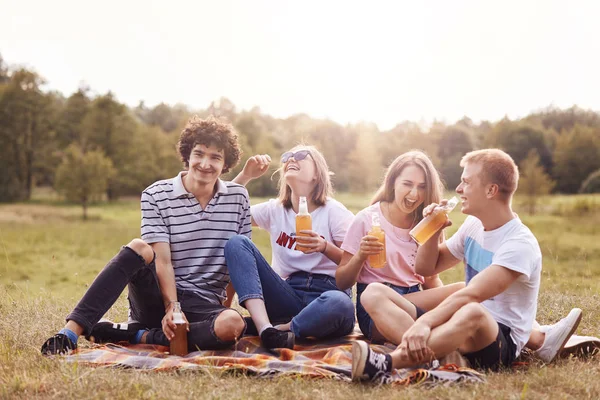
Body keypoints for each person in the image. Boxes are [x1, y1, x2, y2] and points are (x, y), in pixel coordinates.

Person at [352, 149, 582, 381]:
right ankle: (436, 353)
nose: (459, 189)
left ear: (491, 190)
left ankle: (387, 362)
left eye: (466, 182)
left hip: (497, 341)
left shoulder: (519, 244)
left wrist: (424, 323)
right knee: (373, 292)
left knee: (472, 308)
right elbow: (425, 268)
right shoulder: (473, 225)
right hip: (460, 324)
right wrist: (432, 230)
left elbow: (472, 294)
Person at [41, 116, 251, 355]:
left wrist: (223, 309)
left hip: (204, 303)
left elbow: (238, 262)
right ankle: (68, 334)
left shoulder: (238, 198)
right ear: (187, 156)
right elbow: (163, 261)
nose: (205, 163)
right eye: (199, 154)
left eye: (215, 157)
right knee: (140, 246)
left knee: (233, 324)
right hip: (157, 296)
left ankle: (140, 335)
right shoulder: (156, 195)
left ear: (226, 164)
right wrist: (173, 307)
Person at [225, 145, 356, 350]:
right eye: (288, 156)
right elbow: (225, 211)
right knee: (237, 244)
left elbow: (354, 265)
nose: (292, 159)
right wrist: (245, 175)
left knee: (340, 304)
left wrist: (325, 247)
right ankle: (265, 328)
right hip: (287, 293)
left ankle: (281, 329)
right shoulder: (275, 209)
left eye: (302, 155)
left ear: (316, 174)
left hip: (327, 294)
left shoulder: (335, 212)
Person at [336, 151, 464, 344]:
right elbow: (342, 281)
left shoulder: (429, 221)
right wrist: (361, 255)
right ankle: (434, 343)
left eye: (422, 187)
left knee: (464, 290)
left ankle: (431, 340)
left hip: (414, 299)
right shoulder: (367, 219)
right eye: (407, 184)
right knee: (379, 295)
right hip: (377, 306)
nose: (414, 194)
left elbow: (431, 280)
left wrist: (447, 305)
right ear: (393, 182)